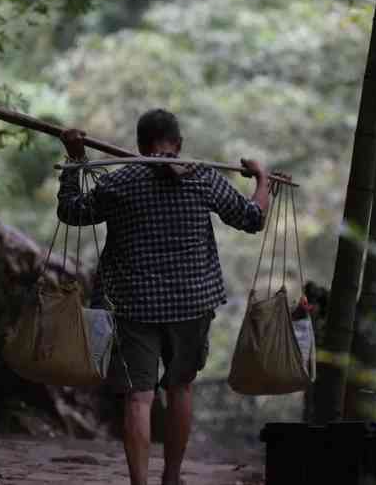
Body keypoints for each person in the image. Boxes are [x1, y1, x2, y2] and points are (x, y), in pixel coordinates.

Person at [57, 108, 271, 485]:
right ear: (180, 144)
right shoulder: (203, 178)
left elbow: (72, 212)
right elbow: (252, 218)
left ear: (139, 145)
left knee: (139, 397)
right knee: (181, 388)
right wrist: (262, 179)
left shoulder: (121, 182)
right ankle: (171, 478)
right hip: (192, 302)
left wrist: (75, 161)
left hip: (133, 304)